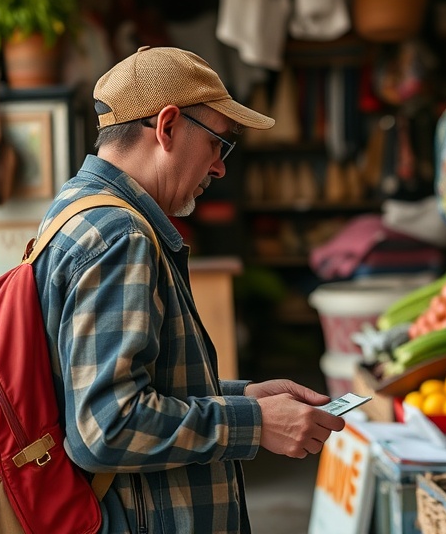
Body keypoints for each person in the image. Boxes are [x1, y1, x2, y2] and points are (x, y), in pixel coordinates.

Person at [32, 46, 346, 533]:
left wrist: (246, 400)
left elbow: (129, 387)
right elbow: (105, 427)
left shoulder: (75, 209)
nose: (220, 167)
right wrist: (257, 424)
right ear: (167, 126)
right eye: (219, 143)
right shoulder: (122, 236)